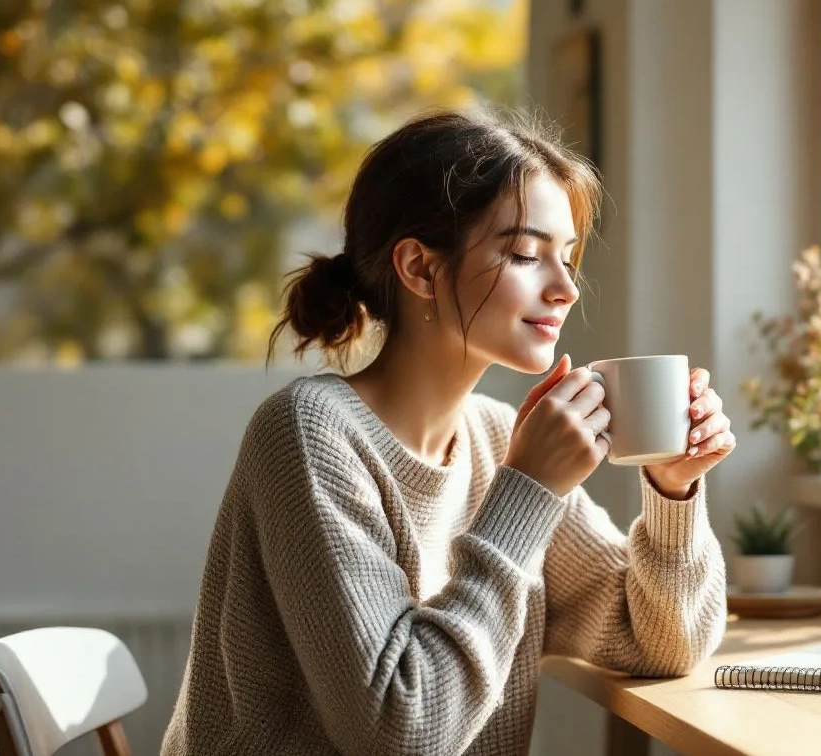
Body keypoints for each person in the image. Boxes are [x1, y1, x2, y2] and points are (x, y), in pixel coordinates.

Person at [161, 108, 735, 756]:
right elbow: (405, 732)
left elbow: (661, 645)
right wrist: (528, 492)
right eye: (525, 254)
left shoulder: (496, 439)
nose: (567, 289)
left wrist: (673, 492)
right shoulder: (309, 433)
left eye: (568, 258)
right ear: (420, 268)